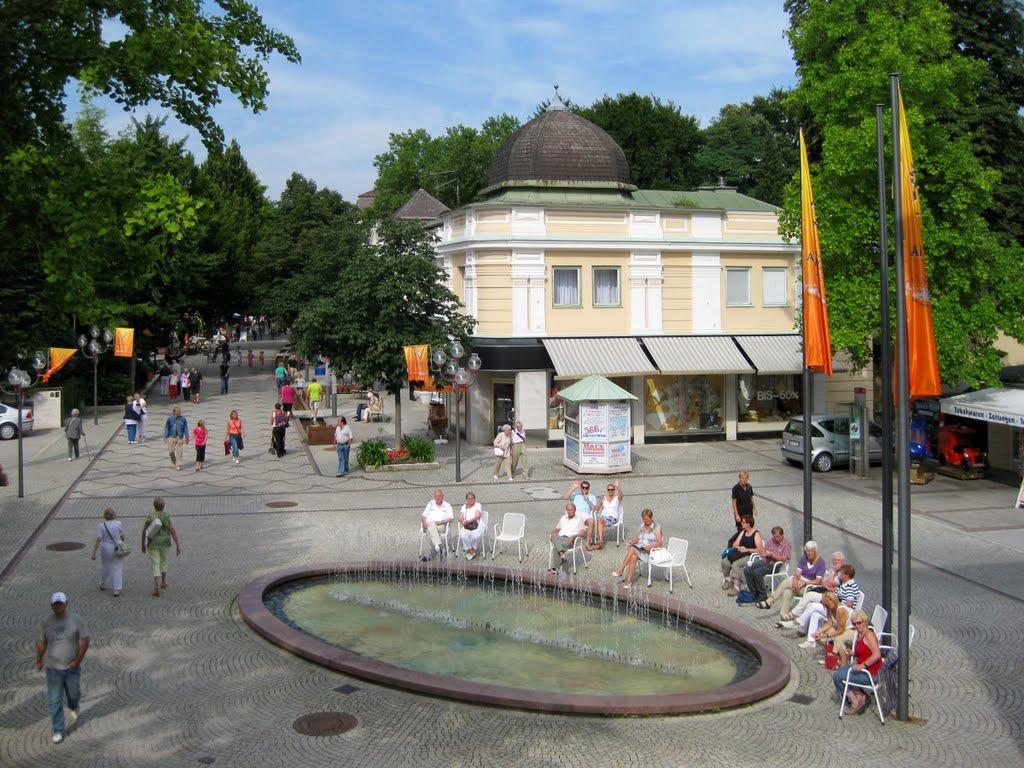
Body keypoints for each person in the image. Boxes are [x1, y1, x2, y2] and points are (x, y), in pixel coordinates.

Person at [36, 592, 90, 744]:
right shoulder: (46, 623)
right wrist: (39, 660)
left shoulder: (77, 620)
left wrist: (78, 661)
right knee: (54, 700)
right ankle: (58, 729)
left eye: (61, 603)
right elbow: (42, 643)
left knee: (73, 694)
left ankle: (74, 706)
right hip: (53, 668)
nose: (58, 606)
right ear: (51, 606)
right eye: (56, 604)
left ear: (66, 603)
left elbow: (85, 641)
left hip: (71, 667)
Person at [832, 609, 883, 716]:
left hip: (871, 673)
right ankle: (861, 696)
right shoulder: (860, 634)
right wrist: (854, 654)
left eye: (859, 623)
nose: (857, 626)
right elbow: (865, 652)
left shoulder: (869, 635)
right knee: (840, 671)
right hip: (863, 670)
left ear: (865, 622)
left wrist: (863, 665)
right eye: (854, 624)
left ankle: (855, 702)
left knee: (837, 677)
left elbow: (877, 654)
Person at [756, 540, 826, 616]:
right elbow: (797, 573)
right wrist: (795, 580)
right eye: (807, 551)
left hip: (809, 587)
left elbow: (818, 581)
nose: (809, 553)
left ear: (815, 551)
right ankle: (783, 615)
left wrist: (804, 583)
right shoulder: (804, 558)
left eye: (811, 551)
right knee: (787, 591)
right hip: (799, 582)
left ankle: (770, 601)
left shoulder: (820, 562)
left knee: (787, 582)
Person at [611, 508, 663, 588]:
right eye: (644, 519)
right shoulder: (642, 526)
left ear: (651, 517)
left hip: (650, 552)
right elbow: (637, 538)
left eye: (647, 519)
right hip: (641, 550)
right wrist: (631, 541)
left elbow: (660, 543)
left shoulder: (656, 527)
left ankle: (621, 569)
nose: (646, 521)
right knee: (633, 557)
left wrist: (650, 547)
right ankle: (628, 582)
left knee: (632, 549)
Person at [141, 496, 181, 598]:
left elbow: (145, 531)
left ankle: (157, 586)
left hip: (153, 544)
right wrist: (177, 545)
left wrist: (143, 544)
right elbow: (173, 531)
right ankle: (163, 582)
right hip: (165, 543)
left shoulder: (151, 516)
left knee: (155, 564)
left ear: (154, 506)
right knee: (163, 562)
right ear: (164, 506)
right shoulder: (167, 516)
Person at [742, 526, 792, 603]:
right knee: (747, 570)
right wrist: (764, 554)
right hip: (765, 560)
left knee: (757, 572)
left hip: (775, 564)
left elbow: (784, 558)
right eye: (774, 537)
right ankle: (753, 592)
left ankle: (762, 594)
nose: (776, 539)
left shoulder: (786, 544)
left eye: (778, 537)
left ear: (782, 535)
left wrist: (773, 555)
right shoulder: (771, 541)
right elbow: (763, 550)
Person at [720, 514, 762, 596]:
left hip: (750, 556)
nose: (742, 524)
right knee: (725, 562)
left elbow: (759, 549)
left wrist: (747, 549)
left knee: (736, 564)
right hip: (740, 554)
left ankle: (736, 587)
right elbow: (734, 544)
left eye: (743, 522)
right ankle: (728, 580)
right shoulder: (743, 532)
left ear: (748, 523)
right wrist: (740, 547)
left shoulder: (756, 534)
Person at [91, 508, 125, 596]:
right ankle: (116, 589)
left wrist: (94, 552)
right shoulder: (119, 523)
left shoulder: (101, 526)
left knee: (105, 566)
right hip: (118, 547)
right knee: (117, 567)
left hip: (106, 548)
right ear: (114, 514)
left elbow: (98, 539)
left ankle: (102, 582)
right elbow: (122, 535)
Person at [547, 502, 587, 573]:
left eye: (571, 510)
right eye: (568, 510)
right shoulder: (563, 518)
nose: (569, 511)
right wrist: (551, 534)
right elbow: (556, 529)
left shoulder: (579, 519)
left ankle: (556, 568)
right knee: (554, 536)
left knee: (555, 547)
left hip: (570, 540)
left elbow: (582, 532)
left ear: (575, 510)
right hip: (560, 539)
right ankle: (562, 555)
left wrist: (573, 536)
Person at [563, 479, 598, 547]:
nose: (584, 489)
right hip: (575, 512)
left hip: (585, 514)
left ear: (589, 488)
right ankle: (567, 538)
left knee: (591, 521)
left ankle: (587, 542)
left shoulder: (592, 497)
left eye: (586, 488)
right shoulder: (576, 495)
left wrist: (587, 500)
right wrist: (574, 487)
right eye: (583, 487)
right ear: (581, 488)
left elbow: (594, 508)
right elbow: (565, 497)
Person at [420, 489, 454, 561]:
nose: (438, 498)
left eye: (439, 496)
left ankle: (428, 554)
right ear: (434, 497)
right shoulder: (431, 503)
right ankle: (438, 547)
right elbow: (423, 516)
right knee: (430, 525)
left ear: (443, 496)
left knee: (429, 530)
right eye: (436, 496)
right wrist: (424, 522)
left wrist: (441, 521)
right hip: (428, 525)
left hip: (440, 526)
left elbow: (451, 518)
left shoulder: (447, 505)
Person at [593, 479, 623, 548]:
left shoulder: (616, 498)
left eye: (612, 489)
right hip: (603, 517)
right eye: (609, 489)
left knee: (599, 521)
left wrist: (617, 486)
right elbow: (596, 509)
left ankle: (600, 539)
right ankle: (600, 540)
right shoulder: (604, 498)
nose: (610, 491)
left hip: (612, 517)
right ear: (607, 490)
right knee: (599, 519)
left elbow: (621, 495)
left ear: (614, 490)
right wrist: (600, 500)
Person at [458, 491, 484, 560]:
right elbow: (460, 517)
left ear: (474, 499)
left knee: (475, 536)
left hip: (476, 524)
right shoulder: (464, 507)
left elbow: (477, 516)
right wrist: (462, 521)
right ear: (466, 500)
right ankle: (471, 551)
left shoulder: (478, 505)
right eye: (469, 499)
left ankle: (472, 550)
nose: (470, 500)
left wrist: (468, 521)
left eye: (472, 498)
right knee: (463, 536)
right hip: (466, 525)